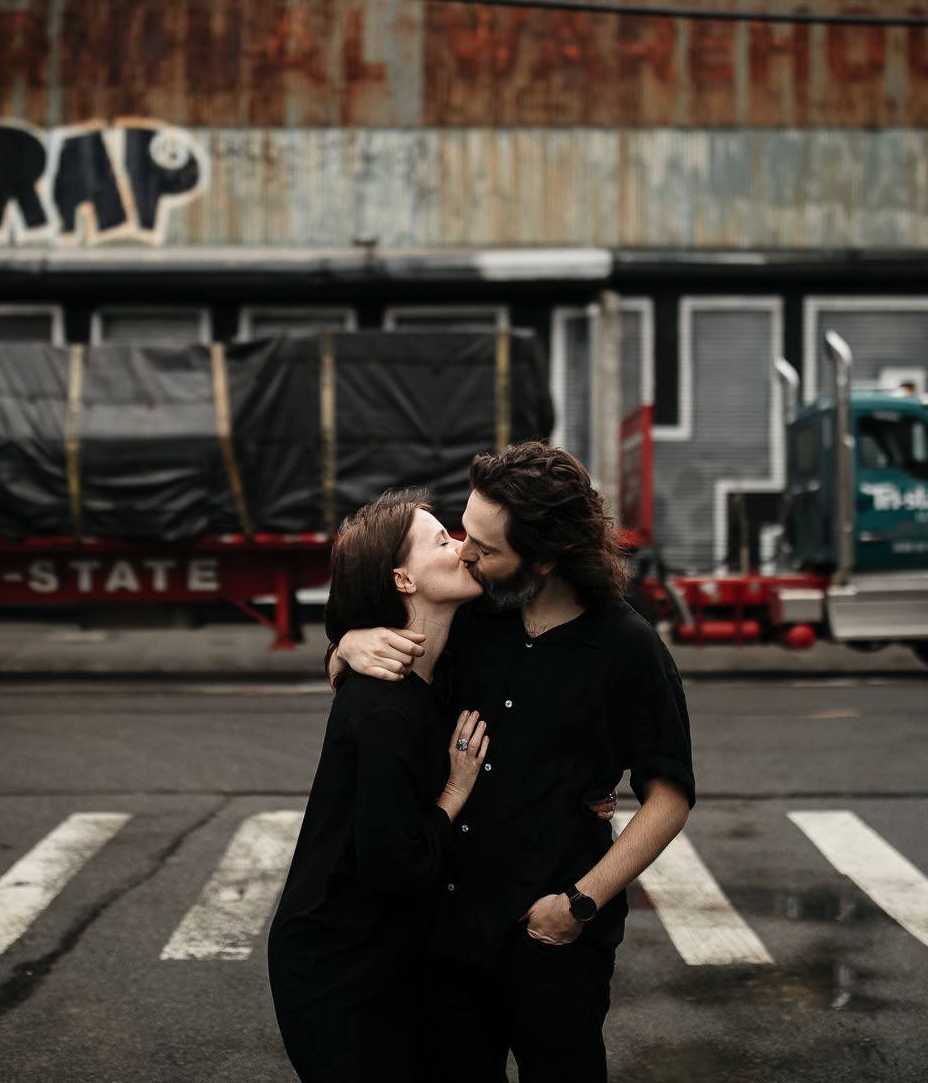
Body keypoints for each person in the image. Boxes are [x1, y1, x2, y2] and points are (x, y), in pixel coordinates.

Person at [330, 442, 695, 1082]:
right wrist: (348, 645)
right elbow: (382, 671)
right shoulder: (474, 615)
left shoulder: (627, 648)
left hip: (549, 931)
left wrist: (580, 904)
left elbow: (670, 796)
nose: (465, 553)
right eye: (463, 533)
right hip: (450, 925)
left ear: (546, 559)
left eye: (485, 546)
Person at [267, 489, 489, 1083]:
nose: (463, 545)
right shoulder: (385, 707)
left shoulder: (434, 669)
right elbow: (395, 866)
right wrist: (455, 793)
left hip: (388, 956)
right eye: (443, 540)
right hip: (338, 969)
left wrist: (342, 646)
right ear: (403, 579)